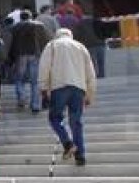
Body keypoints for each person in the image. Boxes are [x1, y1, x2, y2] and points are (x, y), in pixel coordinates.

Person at [39, 27, 98, 166]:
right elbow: (90, 73)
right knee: (76, 122)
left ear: (57, 35)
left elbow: (44, 67)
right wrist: (90, 93)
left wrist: (43, 87)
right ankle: (80, 155)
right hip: (78, 88)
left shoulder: (52, 45)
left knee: (55, 118)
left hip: (59, 87)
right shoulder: (80, 46)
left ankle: (67, 143)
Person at [10, 9, 52, 113]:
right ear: (31, 16)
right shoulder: (39, 25)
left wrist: (11, 57)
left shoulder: (15, 27)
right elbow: (46, 40)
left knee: (19, 78)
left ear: (21, 17)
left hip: (20, 54)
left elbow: (11, 42)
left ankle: (22, 98)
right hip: (35, 54)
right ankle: (35, 105)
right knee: (35, 81)